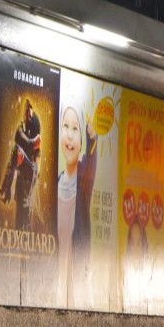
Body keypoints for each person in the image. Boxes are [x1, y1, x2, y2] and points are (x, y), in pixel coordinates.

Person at [57, 105, 99, 308]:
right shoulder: (53, 184)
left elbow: (91, 163)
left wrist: (93, 140)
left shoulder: (83, 184)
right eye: (65, 126)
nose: (70, 136)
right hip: (52, 294)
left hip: (76, 299)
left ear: (81, 140)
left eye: (76, 129)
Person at [0, 99, 42, 230]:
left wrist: (29, 163)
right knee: (20, 215)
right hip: (21, 179)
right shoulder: (21, 131)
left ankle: (5, 190)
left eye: (29, 114)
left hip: (28, 180)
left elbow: (37, 163)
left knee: (25, 214)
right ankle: (5, 190)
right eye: (26, 114)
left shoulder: (35, 134)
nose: (27, 117)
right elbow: (15, 161)